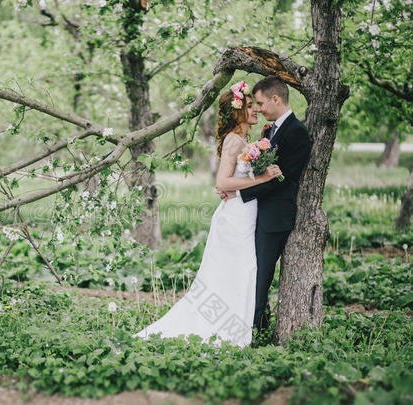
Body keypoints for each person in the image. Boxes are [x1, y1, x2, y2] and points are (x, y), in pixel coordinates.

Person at [132, 81, 282, 348]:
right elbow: (223, 184)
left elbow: (238, 176)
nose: (256, 110)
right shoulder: (234, 141)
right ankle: (226, 330)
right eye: (250, 106)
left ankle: (235, 327)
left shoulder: (244, 139)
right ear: (238, 111)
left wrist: (265, 137)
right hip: (235, 218)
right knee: (237, 272)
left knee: (240, 272)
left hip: (246, 215)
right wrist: (260, 179)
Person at [216, 75, 312, 335]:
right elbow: (250, 172)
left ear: (275, 98)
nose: (257, 109)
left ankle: (254, 328)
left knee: (260, 275)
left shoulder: (297, 133)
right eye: (251, 105)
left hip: (273, 216)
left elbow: (282, 178)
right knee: (251, 272)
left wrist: (238, 193)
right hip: (253, 213)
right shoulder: (269, 131)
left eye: (259, 103)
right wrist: (233, 186)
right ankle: (253, 324)